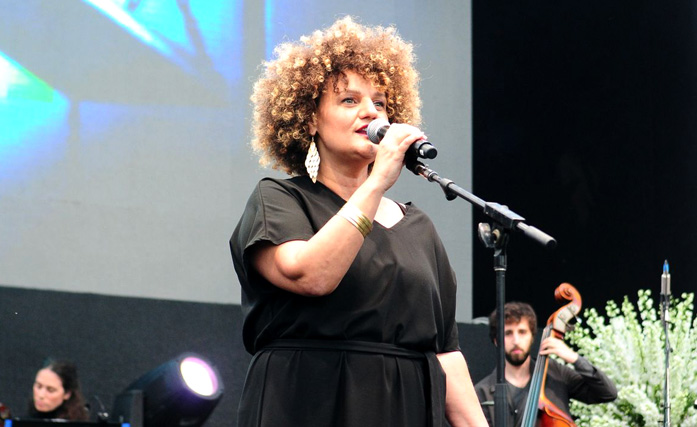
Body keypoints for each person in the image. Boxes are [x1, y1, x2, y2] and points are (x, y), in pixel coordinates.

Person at [230, 16, 487, 427]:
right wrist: (377, 182)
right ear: (309, 119)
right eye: (349, 100)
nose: (371, 112)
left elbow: (446, 353)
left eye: (380, 103)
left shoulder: (418, 227)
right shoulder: (279, 199)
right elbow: (311, 275)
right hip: (307, 405)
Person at [474, 302, 617, 427]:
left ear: (532, 337)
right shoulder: (482, 392)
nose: (516, 340)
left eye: (522, 332)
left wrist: (574, 358)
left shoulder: (556, 373)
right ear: (496, 341)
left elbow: (607, 393)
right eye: (508, 333)